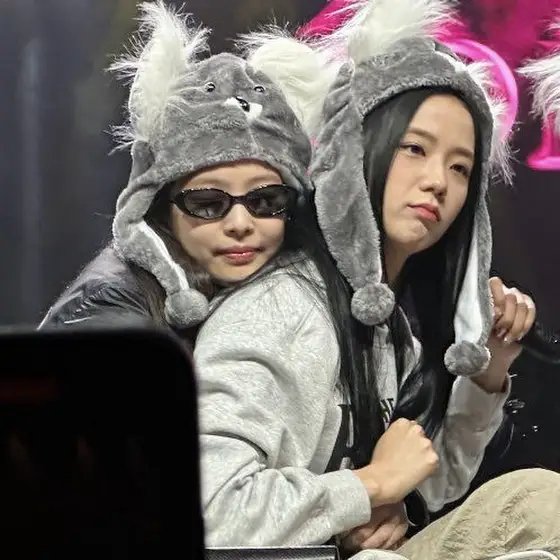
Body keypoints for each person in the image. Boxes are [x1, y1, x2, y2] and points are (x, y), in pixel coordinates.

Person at [196, 0, 560, 559]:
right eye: (415, 148)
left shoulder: (389, 329)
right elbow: (210, 512)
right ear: (359, 152)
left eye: (460, 167)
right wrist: (367, 487)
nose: (438, 181)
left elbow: (431, 485)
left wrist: (489, 373)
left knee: (537, 500)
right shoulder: (278, 309)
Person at [38, 0, 318, 345]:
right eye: (208, 204)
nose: (240, 224)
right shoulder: (107, 311)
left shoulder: (283, 290)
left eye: (265, 201)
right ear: (159, 205)